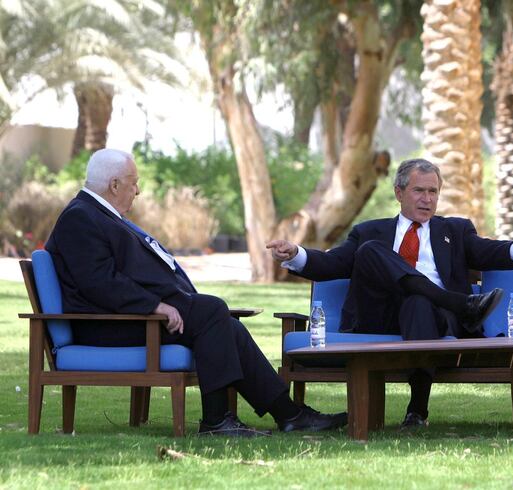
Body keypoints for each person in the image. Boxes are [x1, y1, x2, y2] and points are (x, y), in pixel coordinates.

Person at [45, 148, 347, 437]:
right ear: (113, 185)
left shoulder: (99, 214)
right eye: (134, 183)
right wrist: (155, 306)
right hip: (107, 326)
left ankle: (289, 415)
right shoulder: (80, 217)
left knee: (225, 323)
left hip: (130, 317)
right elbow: (99, 282)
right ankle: (217, 421)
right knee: (211, 310)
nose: (137, 191)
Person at [267, 158, 513, 429]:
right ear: (399, 193)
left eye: (433, 191)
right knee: (370, 251)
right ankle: (462, 305)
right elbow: (333, 263)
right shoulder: (369, 231)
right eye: (419, 191)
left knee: (418, 302)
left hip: (432, 317)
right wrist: (296, 254)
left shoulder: (455, 230)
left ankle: (417, 410)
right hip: (380, 316)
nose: (427, 199)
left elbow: (485, 251)